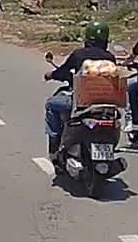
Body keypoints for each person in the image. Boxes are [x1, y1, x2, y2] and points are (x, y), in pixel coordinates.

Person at [43, 21, 115, 155]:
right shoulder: (110, 58)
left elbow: (63, 72)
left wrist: (51, 75)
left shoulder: (79, 55)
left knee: (51, 104)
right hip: (105, 104)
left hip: (82, 103)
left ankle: (54, 142)